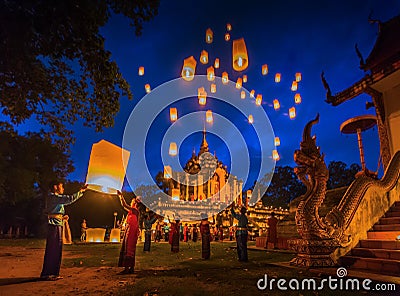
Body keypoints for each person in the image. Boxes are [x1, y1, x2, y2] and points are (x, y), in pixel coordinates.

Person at [40, 181, 87, 280]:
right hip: (54, 225)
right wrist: (81, 191)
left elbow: (56, 211)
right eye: (61, 186)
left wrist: (62, 217)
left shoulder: (54, 198)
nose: (63, 189)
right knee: (53, 249)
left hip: (57, 223)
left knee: (57, 249)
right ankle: (48, 273)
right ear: (55, 187)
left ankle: (53, 273)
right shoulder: (53, 197)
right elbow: (69, 199)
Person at [117, 191, 140, 274]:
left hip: (131, 231)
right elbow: (125, 206)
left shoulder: (135, 210)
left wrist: (121, 196)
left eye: (132, 201)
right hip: (130, 230)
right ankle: (131, 268)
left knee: (129, 248)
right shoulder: (132, 212)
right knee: (130, 248)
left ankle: (127, 268)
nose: (131, 202)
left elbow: (124, 205)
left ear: (135, 203)